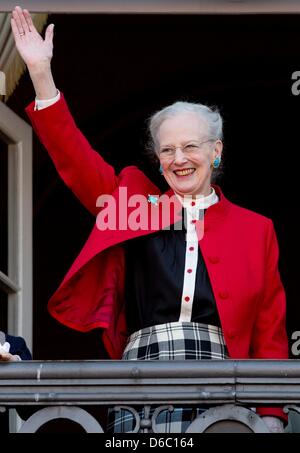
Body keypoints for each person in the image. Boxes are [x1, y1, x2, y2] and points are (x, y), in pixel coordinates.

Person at [11, 6, 289, 433]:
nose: (179, 159)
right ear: (157, 158)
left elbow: (270, 330)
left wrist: (272, 415)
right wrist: (41, 75)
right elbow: (77, 162)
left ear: (216, 152)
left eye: (191, 147)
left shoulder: (256, 228)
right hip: (142, 373)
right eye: (167, 150)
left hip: (223, 379)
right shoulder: (134, 203)